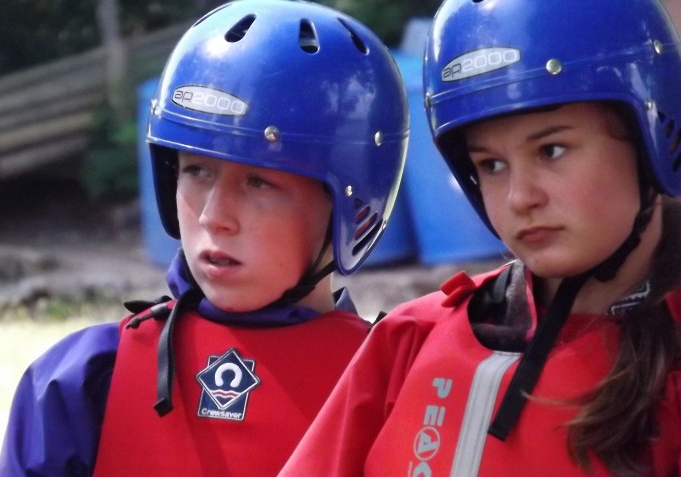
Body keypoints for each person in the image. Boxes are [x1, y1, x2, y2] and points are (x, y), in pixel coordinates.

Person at [0, 0, 409, 475]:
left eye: (259, 182)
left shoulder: (399, 389)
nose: (214, 216)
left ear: (350, 204)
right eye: (197, 171)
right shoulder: (83, 383)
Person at [281, 0, 681, 475]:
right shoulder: (410, 338)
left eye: (551, 150)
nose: (519, 197)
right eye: (491, 164)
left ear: (651, 136)